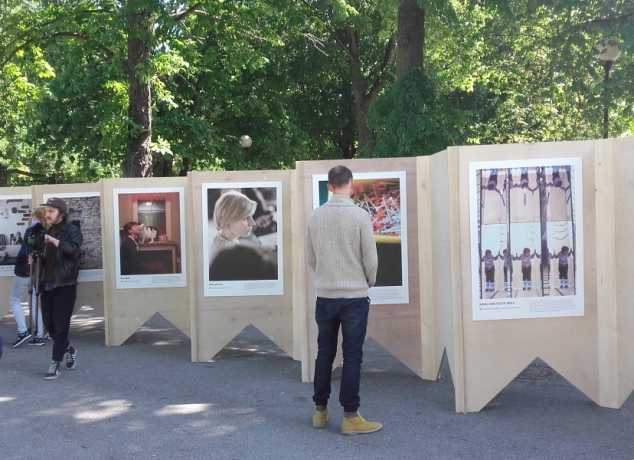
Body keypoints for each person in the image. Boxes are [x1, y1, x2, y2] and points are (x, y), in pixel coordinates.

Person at [305, 165, 381, 436]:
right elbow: (371, 259)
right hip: (354, 298)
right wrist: (367, 282)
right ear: (351, 184)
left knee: (324, 353)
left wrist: (327, 277)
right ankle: (350, 417)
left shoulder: (315, 217)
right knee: (352, 356)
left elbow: (311, 258)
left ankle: (319, 411)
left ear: (329, 186)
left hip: (325, 296)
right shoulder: (360, 216)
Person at [30, 197, 83, 380]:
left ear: (61, 213)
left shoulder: (72, 230)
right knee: (49, 325)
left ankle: (55, 363)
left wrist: (54, 241)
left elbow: (74, 250)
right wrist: (35, 258)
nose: (47, 214)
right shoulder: (45, 231)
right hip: (47, 284)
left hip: (65, 284)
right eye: (46, 211)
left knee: (61, 326)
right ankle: (68, 348)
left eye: (51, 211)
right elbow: (46, 258)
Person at [10, 207, 47, 348]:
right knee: (34, 303)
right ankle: (39, 336)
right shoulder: (46, 232)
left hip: (25, 270)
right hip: (38, 273)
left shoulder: (30, 231)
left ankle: (23, 331)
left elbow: (24, 252)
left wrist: (19, 266)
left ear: (35, 217)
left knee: (15, 299)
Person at [209, 190, 257, 274]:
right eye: (245, 218)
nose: (253, 223)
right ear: (228, 219)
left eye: (251, 217)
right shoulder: (224, 257)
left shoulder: (230, 243)